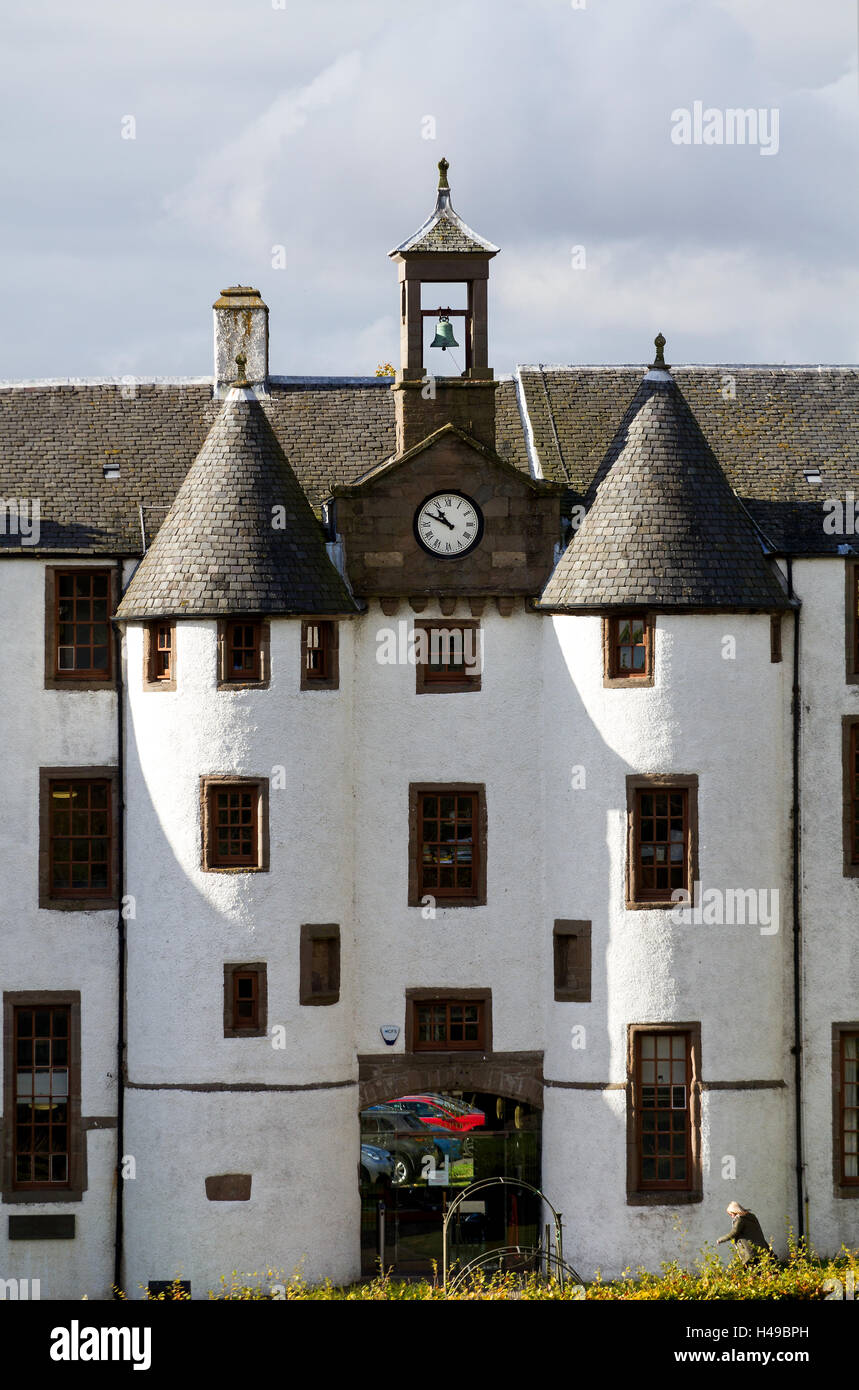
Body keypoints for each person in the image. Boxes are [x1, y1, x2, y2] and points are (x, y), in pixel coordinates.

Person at [716, 1202, 774, 1266]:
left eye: (731, 1214)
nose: (731, 1216)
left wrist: (720, 1239)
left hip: (749, 1250)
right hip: (760, 1246)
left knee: (752, 1269)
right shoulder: (751, 1216)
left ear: (735, 1211)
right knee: (763, 1267)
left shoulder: (740, 1220)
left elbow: (733, 1233)